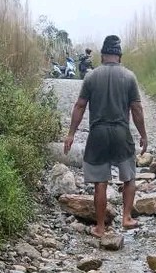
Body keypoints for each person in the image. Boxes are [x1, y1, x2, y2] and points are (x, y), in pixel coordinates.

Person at [64, 35, 149, 237]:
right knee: (129, 177)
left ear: (102, 56)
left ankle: (100, 227)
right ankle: (127, 218)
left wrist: (71, 134)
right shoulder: (129, 77)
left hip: (98, 134)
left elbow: (80, 106)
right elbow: (136, 109)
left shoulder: (91, 77)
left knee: (100, 182)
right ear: (119, 56)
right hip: (121, 132)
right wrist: (143, 135)